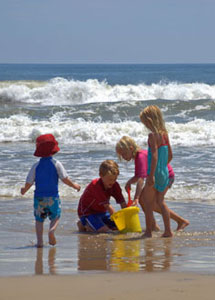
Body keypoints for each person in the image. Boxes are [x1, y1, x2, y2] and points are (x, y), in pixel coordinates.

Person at [116, 136, 189, 232]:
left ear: (131, 148)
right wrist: (129, 182)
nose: (124, 157)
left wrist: (136, 198)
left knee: (152, 202)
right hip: (158, 177)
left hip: (166, 176)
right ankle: (154, 225)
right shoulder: (139, 156)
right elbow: (139, 175)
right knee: (146, 201)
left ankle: (179, 221)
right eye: (121, 155)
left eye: (124, 154)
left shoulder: (140, 156)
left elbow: (141, 179)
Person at [21, 134, 80, 247]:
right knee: (55, 216)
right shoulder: (56, 164)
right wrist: (75, 186)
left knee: (39, 220)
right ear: (53, 149)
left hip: (39, 198)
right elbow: (65, 179)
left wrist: (24, 190)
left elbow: (29, 182)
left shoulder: (36, 166)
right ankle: (52, 230)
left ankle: (39, 242)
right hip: (53, 197)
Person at [139, 105, 175, 238]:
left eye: (145, 122)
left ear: (149, 121)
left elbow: (154, 155)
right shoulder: (165, 135)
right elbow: (170, 155)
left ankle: (148, 232)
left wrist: (151, 174)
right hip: (164, 172)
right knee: (161, 202)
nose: (145, 125)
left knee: (148, 204)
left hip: (154, 173)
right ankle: (168, 231)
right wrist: (162, 168)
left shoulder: (152, 136)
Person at [77, 159, 127, 233]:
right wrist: (117, 219)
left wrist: (126, 220)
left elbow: (122, 202)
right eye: (110, 179)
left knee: (118, 228)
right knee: (105, 231)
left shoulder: (115, 185)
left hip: (102, 212)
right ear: (101, 175)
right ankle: (82, 223)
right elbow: (109, 207)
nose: (112, 182)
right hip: (88, 212)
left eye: (115, 179)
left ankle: (91, 225)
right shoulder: (95, 186)